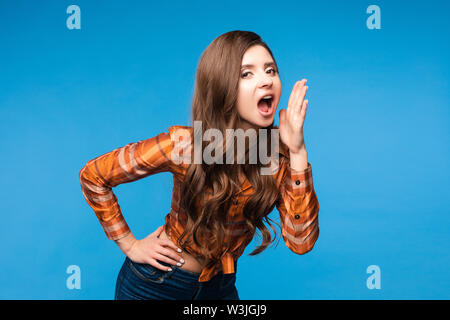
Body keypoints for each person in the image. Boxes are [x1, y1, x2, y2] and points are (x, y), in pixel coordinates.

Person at [78, 30, 319, 300]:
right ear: (221, 86)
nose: (265, 81)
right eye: (246, 74)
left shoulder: (276, 155)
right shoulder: (185, 146)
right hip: (155, 284)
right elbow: (93, 176)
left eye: (270, 70)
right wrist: (129, 244)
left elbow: (301, 242)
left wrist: (298, 152)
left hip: (219, 288)